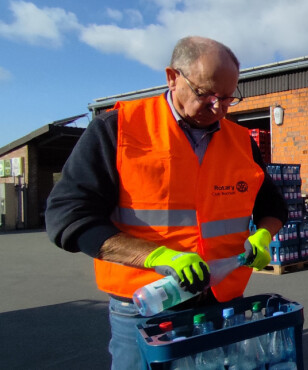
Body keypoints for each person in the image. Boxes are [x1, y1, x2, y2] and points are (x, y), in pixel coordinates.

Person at [45, 36, 288, 369]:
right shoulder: (118, 129)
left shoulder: (241, 141)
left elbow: (273, 207)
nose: (218, 108)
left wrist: (263, 235)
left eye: (228, 98)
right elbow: (68, 219)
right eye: (206, 94)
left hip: (221, 303)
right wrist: (157, 256)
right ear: (172, 77)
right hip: (146, 307)